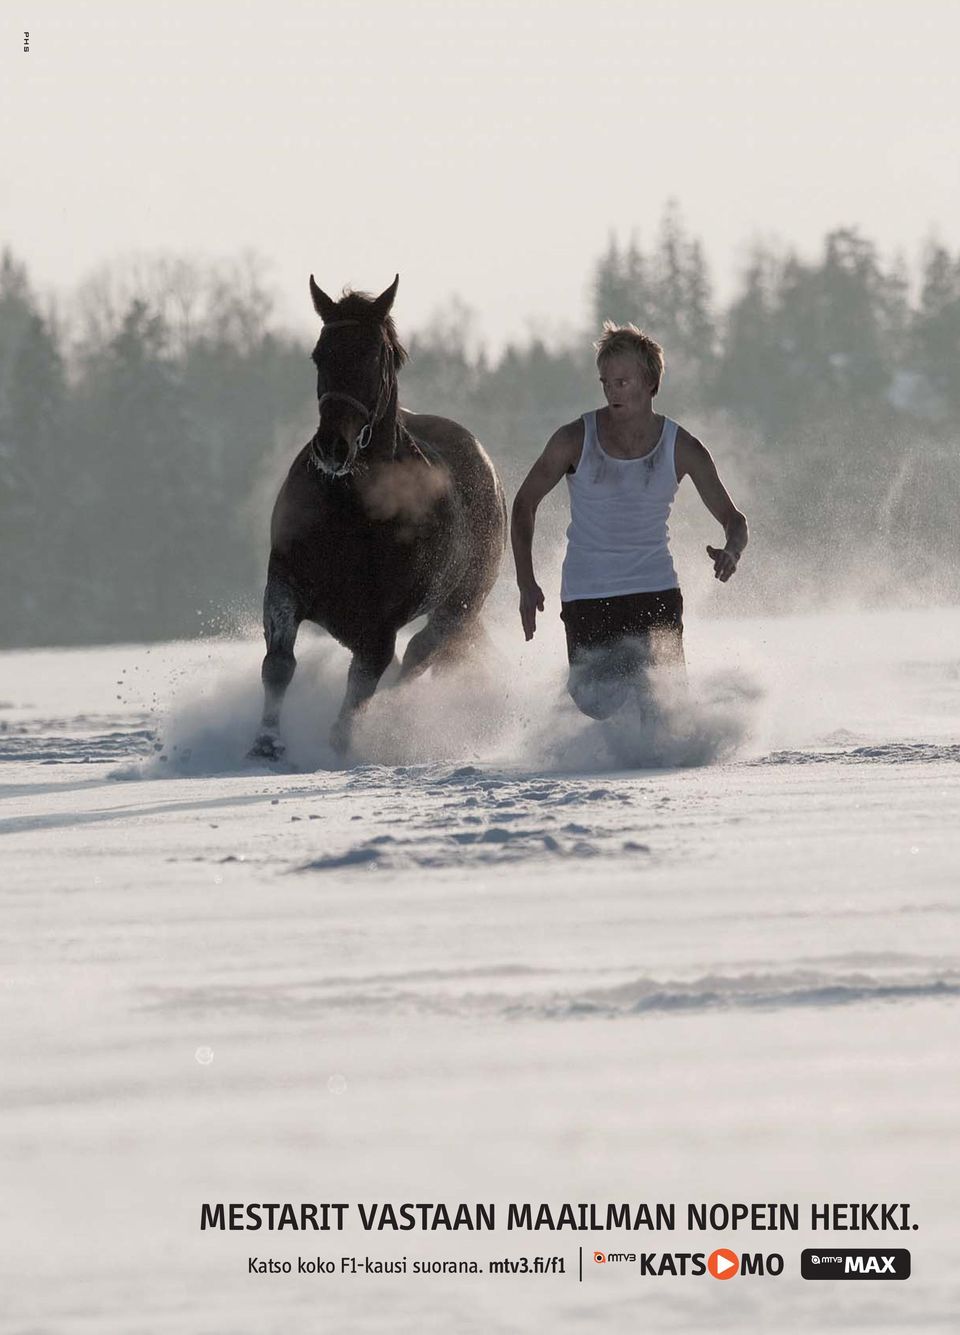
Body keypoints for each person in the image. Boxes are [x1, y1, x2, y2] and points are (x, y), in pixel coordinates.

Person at [511, 322, 748, 719]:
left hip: (654, 590)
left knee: (665, 708)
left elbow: (733, 518)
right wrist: (525, 582)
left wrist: (733, 551)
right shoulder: (574, 438)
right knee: (596, 707)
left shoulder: (682, 447)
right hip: (588, 594)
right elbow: (524, 504)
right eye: (606, 382)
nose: (611, 391)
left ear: (651, 383)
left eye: (622, 382)